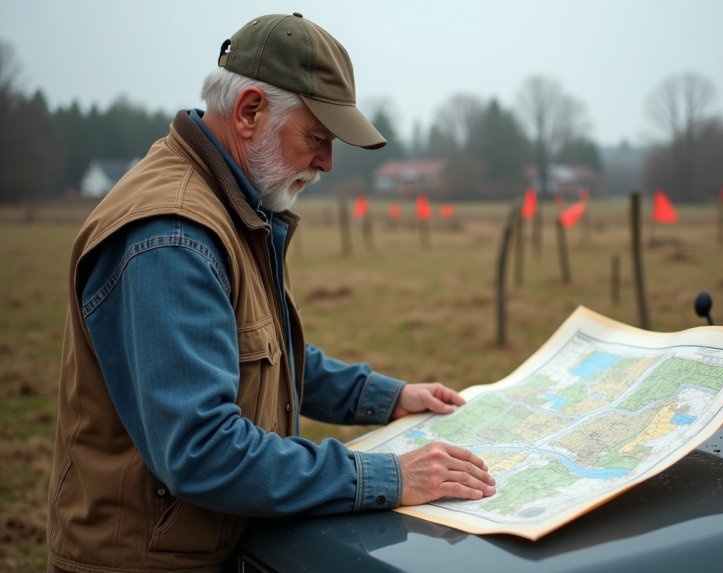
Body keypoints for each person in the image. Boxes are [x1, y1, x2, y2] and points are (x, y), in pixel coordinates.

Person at [47, 13, 495, 573]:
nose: (327, 163)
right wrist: (392, 476)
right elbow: (203, 449)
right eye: (316, 137)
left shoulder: (227, 203)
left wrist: (386, 397)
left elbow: (253, 354)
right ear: (250, 111)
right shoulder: (172, 237)